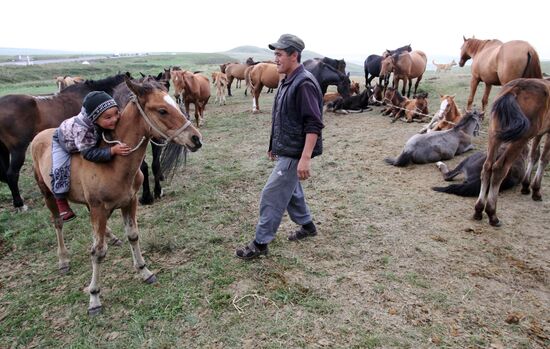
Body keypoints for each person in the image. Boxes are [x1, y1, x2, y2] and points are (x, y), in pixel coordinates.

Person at [236, 34, 324, 260]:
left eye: (279, 54)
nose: (275, 59)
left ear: (294, 55)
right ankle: (308, 227)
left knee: (272, 194)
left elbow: (313, 124)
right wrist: (273, 145)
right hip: (286, 148)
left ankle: (260, 244)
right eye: (275, 54)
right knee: (292, 190)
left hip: (296, 151)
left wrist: (305, 158)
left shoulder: (303, 83)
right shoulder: (286, 80)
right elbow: (280, 117)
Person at [51, 91, 131, 221]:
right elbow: (88, 153)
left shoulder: (103, 119)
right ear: (95, 118)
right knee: (59, 169)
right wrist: (112, 151)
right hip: (63, 141)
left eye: (117, 113)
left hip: (92, 135)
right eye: (108, 117)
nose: (115, 119)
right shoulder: (82, 129)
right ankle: (61, 204)